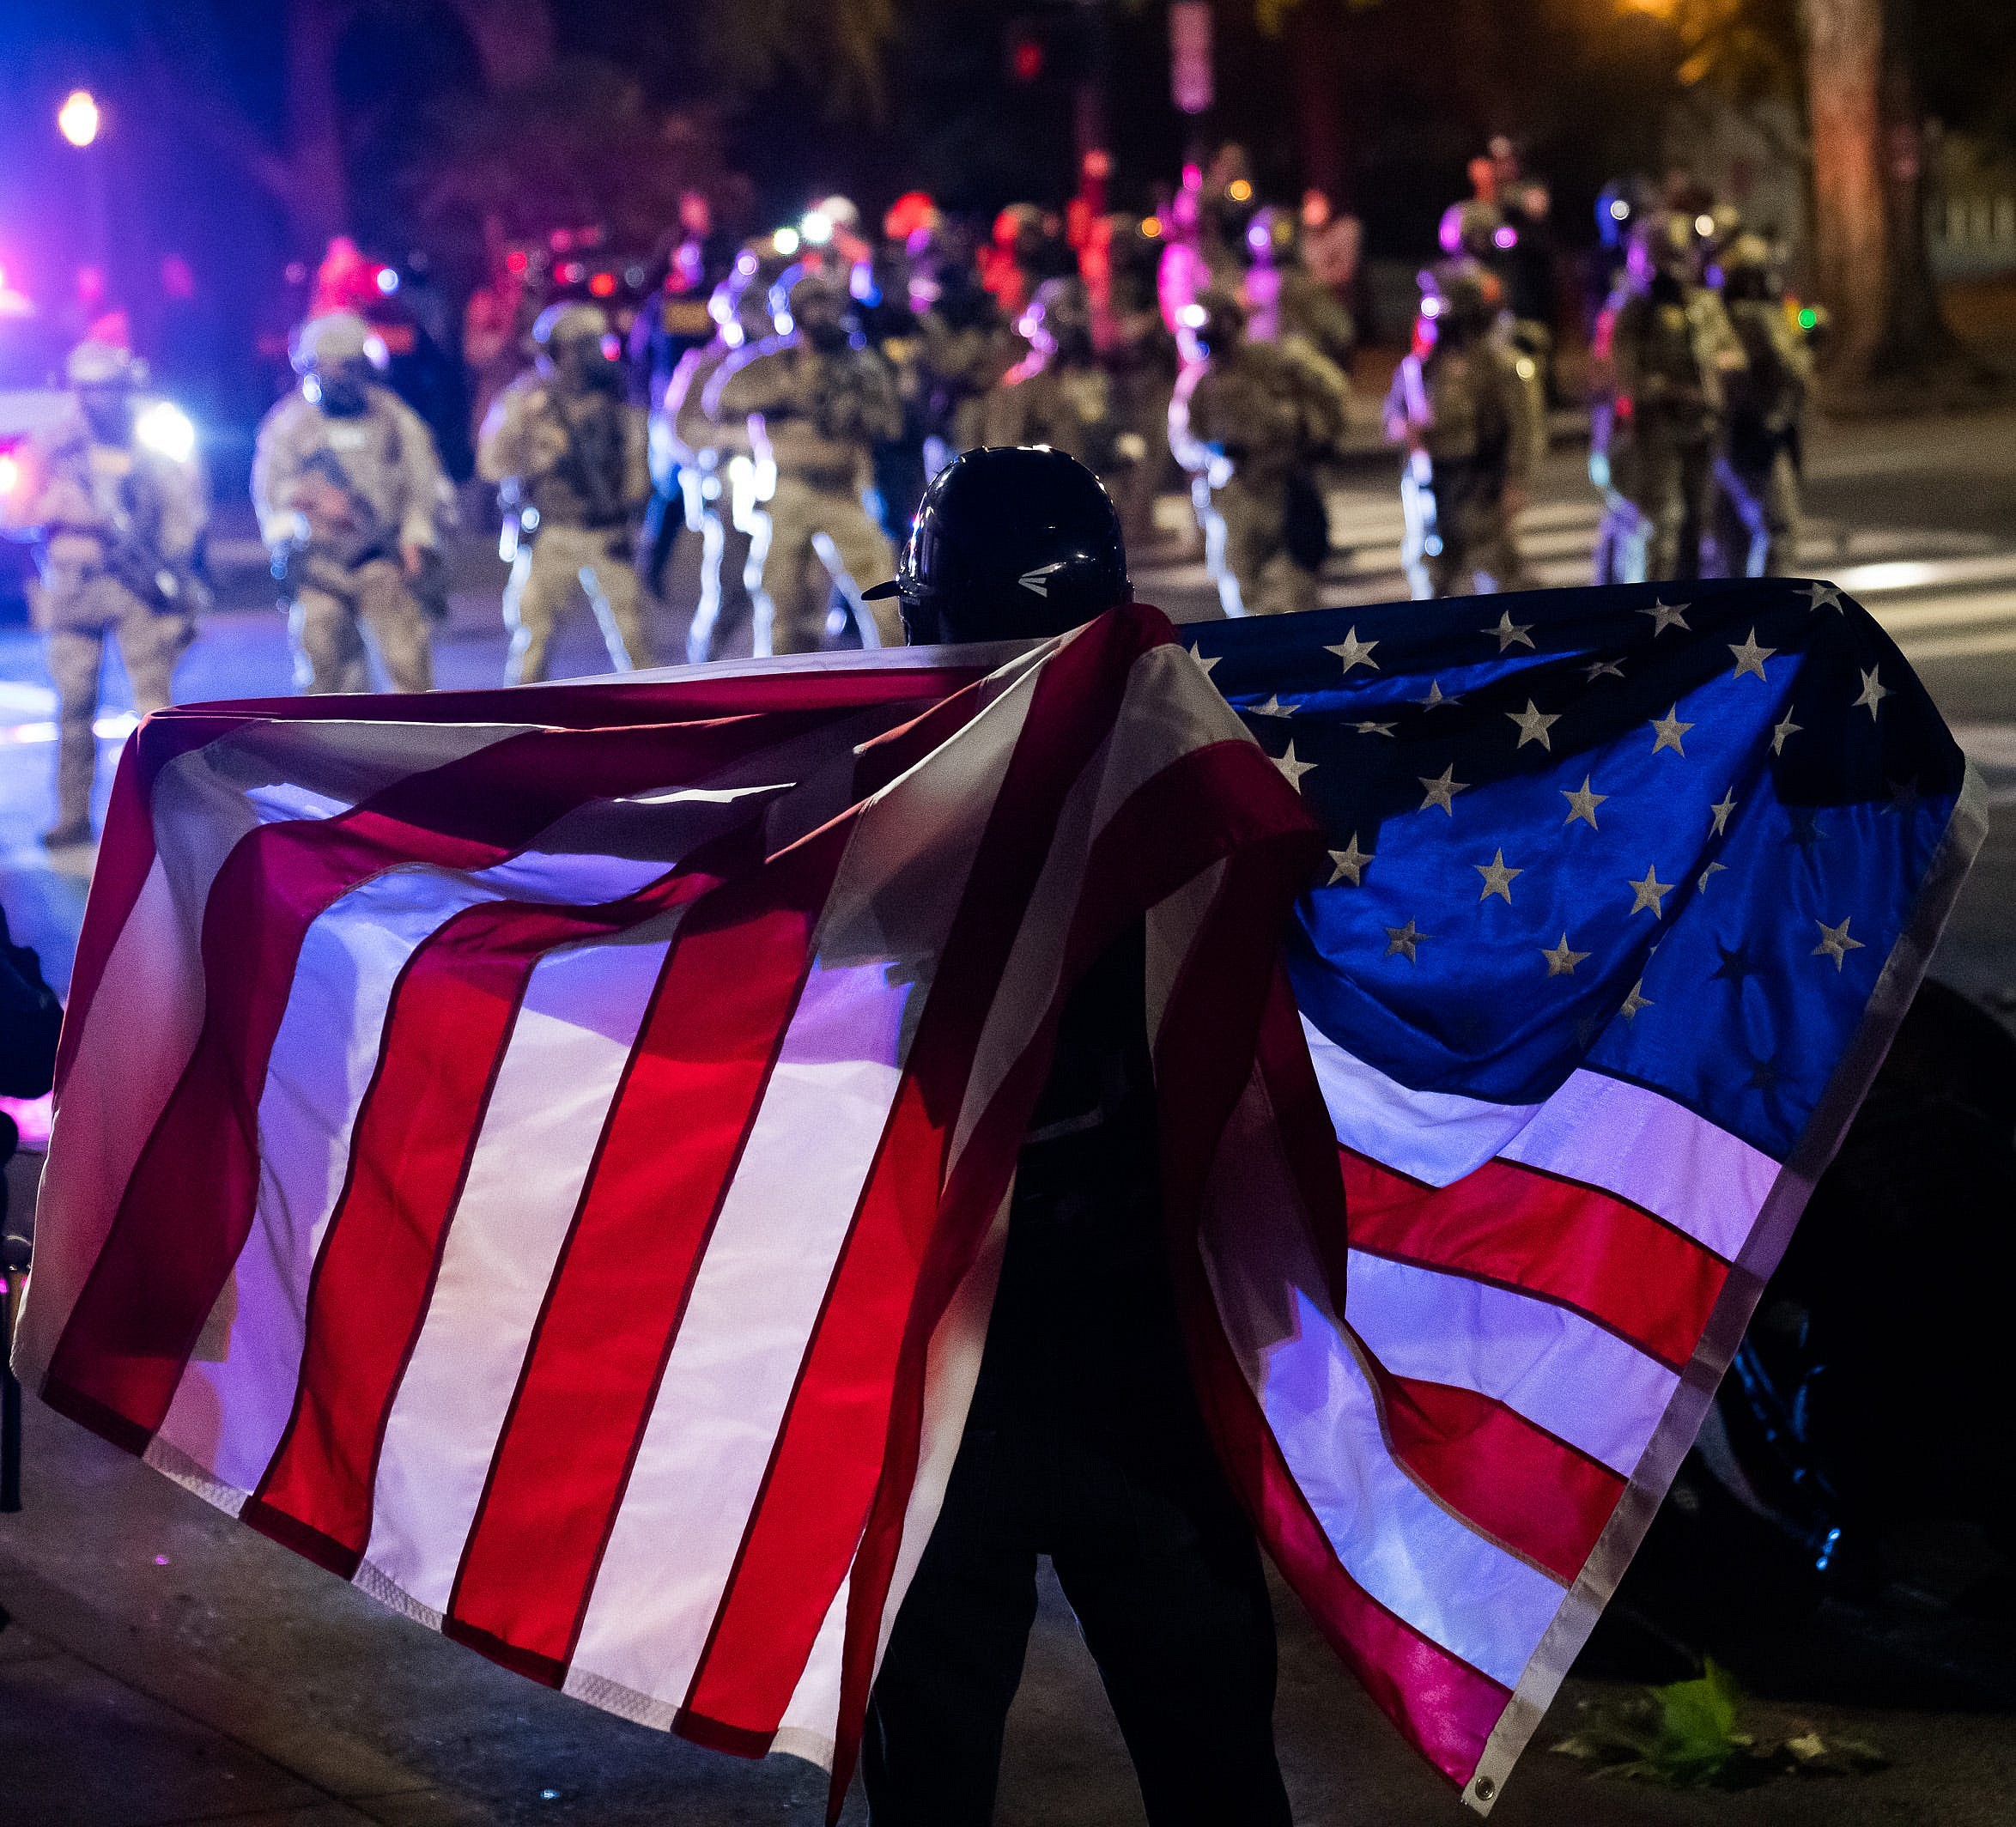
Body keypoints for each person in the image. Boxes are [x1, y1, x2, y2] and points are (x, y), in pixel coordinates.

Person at [858, 446, 1292, 1827]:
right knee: (1213, 1755)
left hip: (953, 1348)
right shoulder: (1208, 754)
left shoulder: (889, 792)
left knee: (934, 1766)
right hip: (1142, 1337)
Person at [0, 341, 204, 847]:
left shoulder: (146, 438)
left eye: (110, 388)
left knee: (154, 707)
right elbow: (15, 511)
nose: (100, 400)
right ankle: (72, 815)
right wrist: (60, 505)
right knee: (75, 706)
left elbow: (183, 505)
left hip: (137, 585)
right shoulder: (53, 444)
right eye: (89, 389)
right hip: (75, 588)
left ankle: (160, 811)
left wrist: (171, 558)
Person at [704, 267, 903, 653]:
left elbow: (891, 424)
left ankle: (899, 682)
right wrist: (785, 399)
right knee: (781, 603)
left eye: (825, 303)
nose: (821, 314)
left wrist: (854, 408)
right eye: (810, 305)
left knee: (884, 597)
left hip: (842, 491)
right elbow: (719, 403)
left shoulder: (859, 365)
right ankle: (779, 693)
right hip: (786, 490)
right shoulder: (768, 364)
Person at [253, 312, 449, 695]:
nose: (340, 376)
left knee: (410, 672)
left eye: (348, 366)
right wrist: (307, 507)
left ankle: (415, 752)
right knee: (325, 677)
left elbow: (422, 480)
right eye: (330, 367)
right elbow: (269, 492)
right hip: (318, 567)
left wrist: (416, 536)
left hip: (383, 563)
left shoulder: (393, 416)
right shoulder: (289, 424)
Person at [477, 302, 652, 685]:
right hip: (551, 532)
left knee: (635, 642)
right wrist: (542, 458)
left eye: (594, 344)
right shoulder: (525, 400)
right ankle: (519, 723)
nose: (589, 355)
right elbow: (492, 461)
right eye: (579, 346)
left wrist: (629, 506)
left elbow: (639, 462)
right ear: (556, 350)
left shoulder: (616, 398)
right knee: (532, 640)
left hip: (608, 532)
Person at [1169, 287, 1347, 617]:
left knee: (1297, 590)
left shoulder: (1271, 363)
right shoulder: (1196, 383)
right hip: (1233, 496)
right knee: (1242, 592)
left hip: (1285, 487)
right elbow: (1183, 442)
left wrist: (1318, 439)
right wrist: (1216, 453)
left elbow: (1329, 393)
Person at [1589, 210, 1746, 584]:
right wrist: (1664, 390)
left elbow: (1733, 354)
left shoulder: (1703, 306)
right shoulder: (1629, 310)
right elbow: (1617, 376)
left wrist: (1713, 372)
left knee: (1700, 522)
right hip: (1652, 432)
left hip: (1702, 428)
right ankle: (1646, 613)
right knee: (1659, 523)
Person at [1384, 259, 1545, 598]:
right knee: (1430, 574)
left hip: (1480, 482)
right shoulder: (1420, 367)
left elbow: (1524, 431)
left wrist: (1516, 482)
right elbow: (1393, 415)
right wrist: (1406, 429)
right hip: (1431, 482)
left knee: (1496, 576)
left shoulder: (1504, 366)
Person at [659, 269, 779, 663]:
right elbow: (679, 428)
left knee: (782, 588)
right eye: (743, 310)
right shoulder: (706, 364)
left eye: (758, 310)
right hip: (728, 480)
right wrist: (729, 441)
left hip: (780, 484)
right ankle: (706, 666)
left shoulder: (782, 360)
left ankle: (777, 670)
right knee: (729, 584)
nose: (750, 321)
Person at [1712, 233, 1814, 579]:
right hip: (1758, 434)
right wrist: (1805, 344)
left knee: (1733, 542)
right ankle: (1766, 614)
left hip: (1725, 437)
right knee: (1780, 530)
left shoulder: (1715, 316)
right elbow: (1792, 369)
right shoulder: (1757, 318)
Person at [982, 276, 1142, 483]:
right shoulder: (1022, 386)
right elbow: (1004, 454)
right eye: (1062, 313)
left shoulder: (1098, 378)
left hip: (1092, 489)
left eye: (1077, 311)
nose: (1073, 323)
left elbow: (1117, 437)